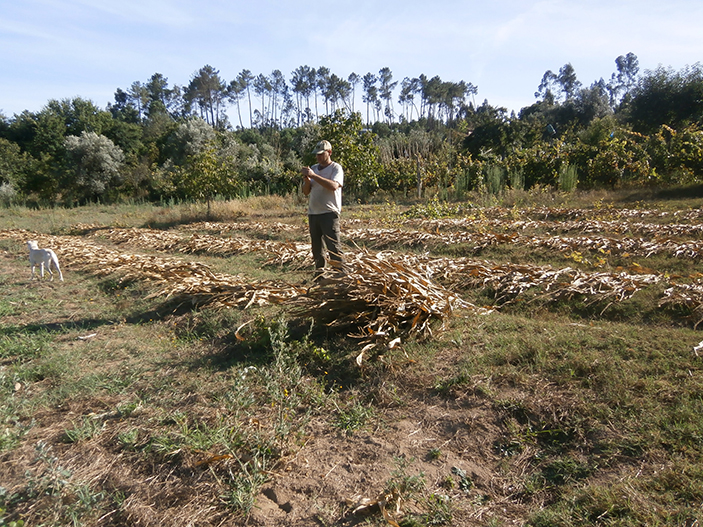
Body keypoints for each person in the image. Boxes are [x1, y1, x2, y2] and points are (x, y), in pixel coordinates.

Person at [301, 140, 344, 277]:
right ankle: (319, 276)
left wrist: (313, 175)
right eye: (316, 155)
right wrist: (307, 180)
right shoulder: (314, 167)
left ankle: (341, 275)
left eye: (321, 154)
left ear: (329, 153)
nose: (318, 157)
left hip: (329, 213)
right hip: (314, 213)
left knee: (333, 247)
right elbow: (306, 192)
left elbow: (333, 186)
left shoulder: (335, 168)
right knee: (317, 249)